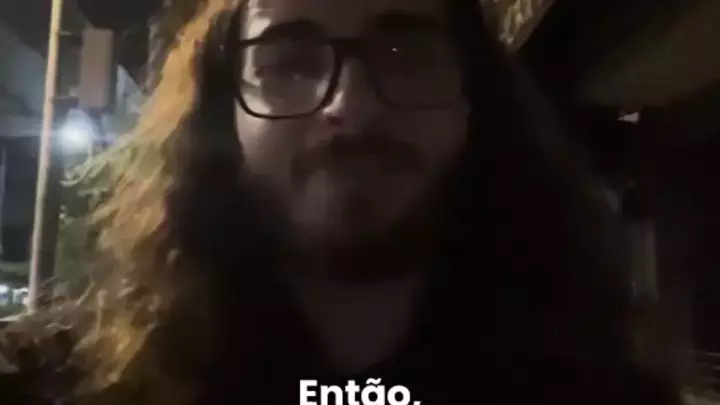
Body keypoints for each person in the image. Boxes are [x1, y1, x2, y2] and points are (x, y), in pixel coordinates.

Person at [0, 0, 680, 404]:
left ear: (478, 105)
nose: (351, 109)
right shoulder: (54, 385)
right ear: (221, 112)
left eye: (405, 53)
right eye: (289, 62)